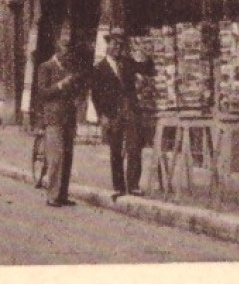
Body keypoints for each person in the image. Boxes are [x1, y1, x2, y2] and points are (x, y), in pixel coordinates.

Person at [90, 26, 154, 198]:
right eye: (114, 44)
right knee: (116, 149)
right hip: (112, 113)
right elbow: (95, 95)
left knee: (134, 147)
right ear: (107, 45)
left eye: (120, 44)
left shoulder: (127, 63)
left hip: (130, 110)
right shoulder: (99, 68)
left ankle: (133, 185)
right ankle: (119, 186)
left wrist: (146, 52)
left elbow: (147, 69)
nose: (117, 47)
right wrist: (101, 115)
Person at [33, 35, 85, 208]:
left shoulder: (70, 68)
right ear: (57, 49)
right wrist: (61, 85)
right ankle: (52, 196)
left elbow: (76, 89)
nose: (68, 53)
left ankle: (63, 194)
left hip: (68, 117)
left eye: (69, 50)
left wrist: (77, 94)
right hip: (53, 117)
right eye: (65, 49)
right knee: (56, 157)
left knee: (68, 157)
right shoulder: (45, 67)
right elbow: (43, 92)